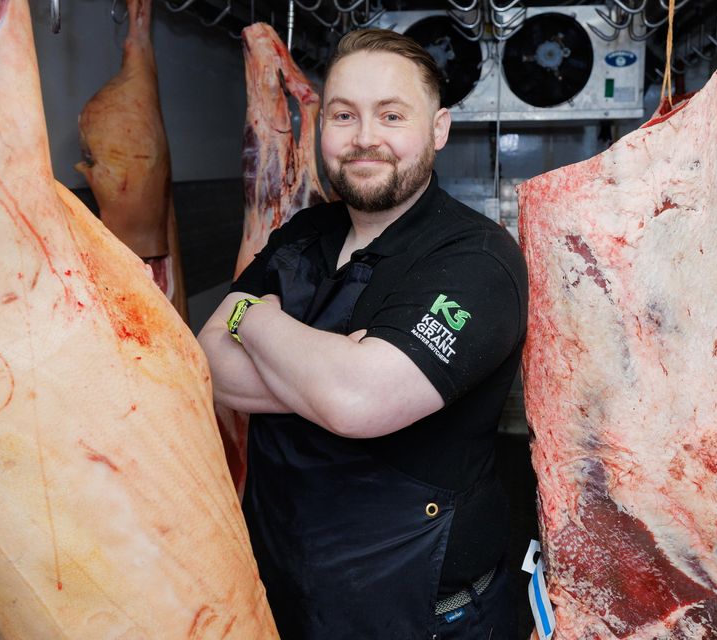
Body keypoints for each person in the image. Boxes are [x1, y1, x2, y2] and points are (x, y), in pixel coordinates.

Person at [198, 28, 528, 640]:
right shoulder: (304, 233)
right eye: (344, 115)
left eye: (392, 115)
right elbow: (207, 360)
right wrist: (324, 373)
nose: (365, 138)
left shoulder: (478, 257)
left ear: (439, 129)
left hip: (427, 616)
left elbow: (357, 401)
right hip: (284, 592)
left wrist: (257, 320)